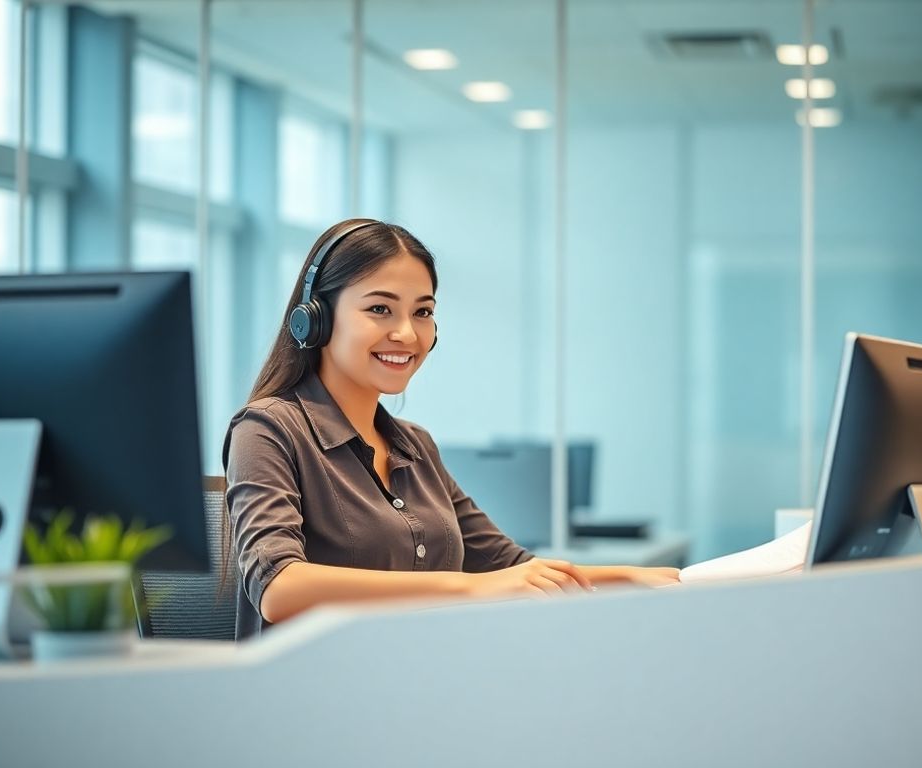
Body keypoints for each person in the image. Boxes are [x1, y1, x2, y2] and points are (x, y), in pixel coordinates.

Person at [224, 218, 679, 638]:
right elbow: (279, 586)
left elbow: (510, 565)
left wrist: (633, 577)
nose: (407, 333)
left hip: (428, 681)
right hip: (320, 698)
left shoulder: (415, 445)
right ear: (316, 318)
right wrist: (469, 588)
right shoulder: (268, 429)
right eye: (380, 309)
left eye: (422, 312)